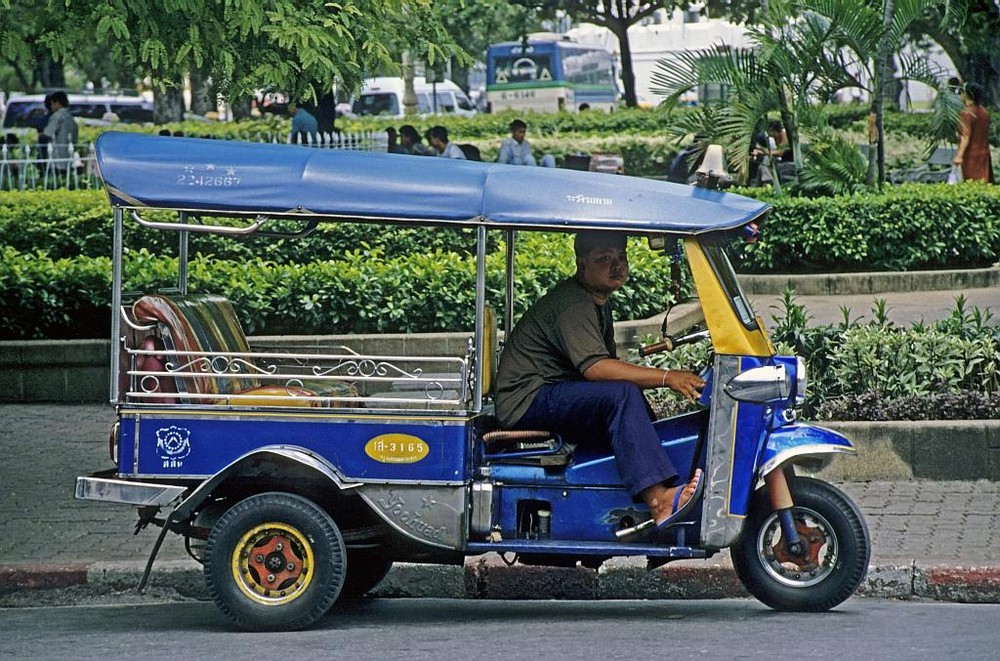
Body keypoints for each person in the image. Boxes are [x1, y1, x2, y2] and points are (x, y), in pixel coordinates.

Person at [494, 231, 706, 541]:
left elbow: (606, 368)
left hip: (552, 392)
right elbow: (597, 370)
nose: (616, 266)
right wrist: (667, 377)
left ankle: (664, 488)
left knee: (627, 399)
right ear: (581, 265)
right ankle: (658, 500)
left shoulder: (596, 302)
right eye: (604, 259)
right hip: (527, 401)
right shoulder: (574, 304)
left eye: (621, 258)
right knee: (621, 395)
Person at [953, 82, 994, 183]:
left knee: (971, 184)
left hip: (970, 156)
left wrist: (959, 156)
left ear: (966, 94)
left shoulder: (967, 113)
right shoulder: (984, 111)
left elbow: (965, 136)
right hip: (984, 154)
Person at [42, 91, 78, 173]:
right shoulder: (71, 117)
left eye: (52, 104)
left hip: (57, 158)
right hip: (69, 156)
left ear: (57, 103)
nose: (50, 107)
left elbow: (47, 134)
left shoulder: (57, 116)